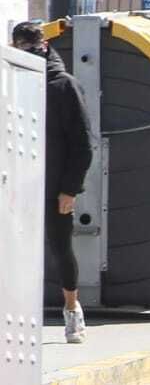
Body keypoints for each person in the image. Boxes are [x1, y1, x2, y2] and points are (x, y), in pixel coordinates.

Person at [13, 22, 92, 344]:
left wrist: (70, 189)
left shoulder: (63, 86)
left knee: (60, 249)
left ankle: (72, 309)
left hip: (55, 186)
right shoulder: (12, 82)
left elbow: (83, 143)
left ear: (42, 47)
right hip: (19, 182)